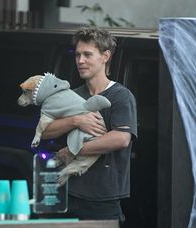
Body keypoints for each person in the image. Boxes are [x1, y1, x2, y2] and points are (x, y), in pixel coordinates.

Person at [41, 26, 137, 224]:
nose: (80, 61)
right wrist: (75, 120)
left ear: (105, 56)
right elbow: (44, 131)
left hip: (101, 198)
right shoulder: (72, 95)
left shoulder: (121, 96)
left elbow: (121, 138)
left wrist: (74, 150)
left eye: (87, 55)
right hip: (64, 194)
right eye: (77, 55)